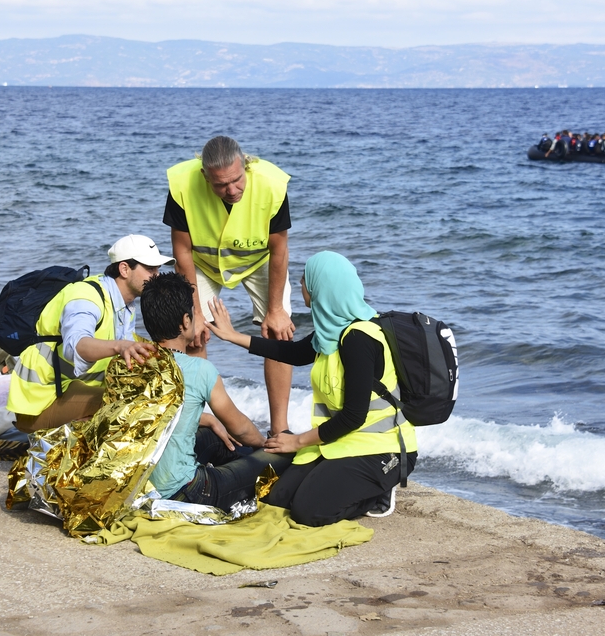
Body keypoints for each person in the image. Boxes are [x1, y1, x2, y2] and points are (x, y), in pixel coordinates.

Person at [206, 251, 418, 527]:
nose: (301, 283)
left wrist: (297, 441)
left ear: (322, 287)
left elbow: (354, 416)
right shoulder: (331, 332)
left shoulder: (359, 339)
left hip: (381, 449)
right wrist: (233, 336)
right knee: (276, 498)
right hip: (341, 442)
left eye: (305, 278)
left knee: (309, 512)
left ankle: (377, 494)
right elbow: (293, 352)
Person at [164, 135, 295, 435]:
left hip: (258, 260)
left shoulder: (272, 184)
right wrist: (195, 313)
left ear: (245, 167)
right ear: (204, 176)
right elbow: (182, 252)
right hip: (203, 263)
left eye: (237, 180)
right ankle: (193, 424)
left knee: (279, 331)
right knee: (191, 332)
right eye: (221, 184)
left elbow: (279, 251)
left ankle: (280, 432)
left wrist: (275, 309)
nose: (231, 190)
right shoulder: (182, 184)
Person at [140, 272, 293, 511]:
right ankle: (258, 474)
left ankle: (242, 464)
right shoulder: (199, 369)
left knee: (214, 435)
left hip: (143, 485)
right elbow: (240, 428)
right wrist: (265, 444)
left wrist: (210, 420)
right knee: (280, 456)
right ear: (185, 322)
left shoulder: (133, 361)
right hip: (188, 492)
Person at [6, 235, 173, 433]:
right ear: (125, 269)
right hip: (41, 401)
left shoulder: (126, 305)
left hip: (73, 390)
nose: (157, 276)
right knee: (129, 407)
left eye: (158, 269)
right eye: (150, 269)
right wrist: (120, 346)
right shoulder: (86, 296)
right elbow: (76, 346)